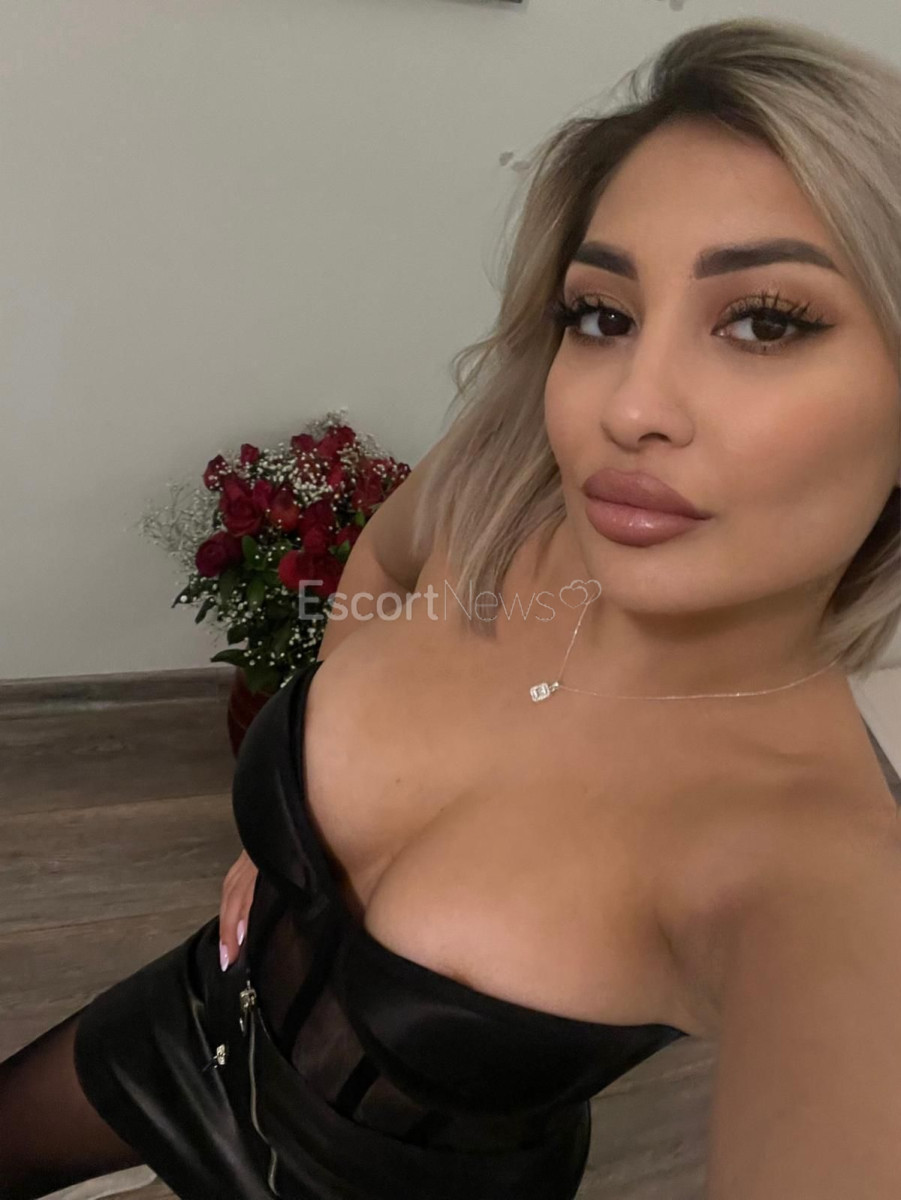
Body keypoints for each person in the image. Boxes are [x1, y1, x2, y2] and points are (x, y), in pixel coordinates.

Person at [3, 14, 901, 1200]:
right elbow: (382, 560)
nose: (631, 405)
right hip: (192, 1019)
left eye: (764, 321)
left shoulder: (824, 877)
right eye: (603, 315)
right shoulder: (507, 498)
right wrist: (275, 854)